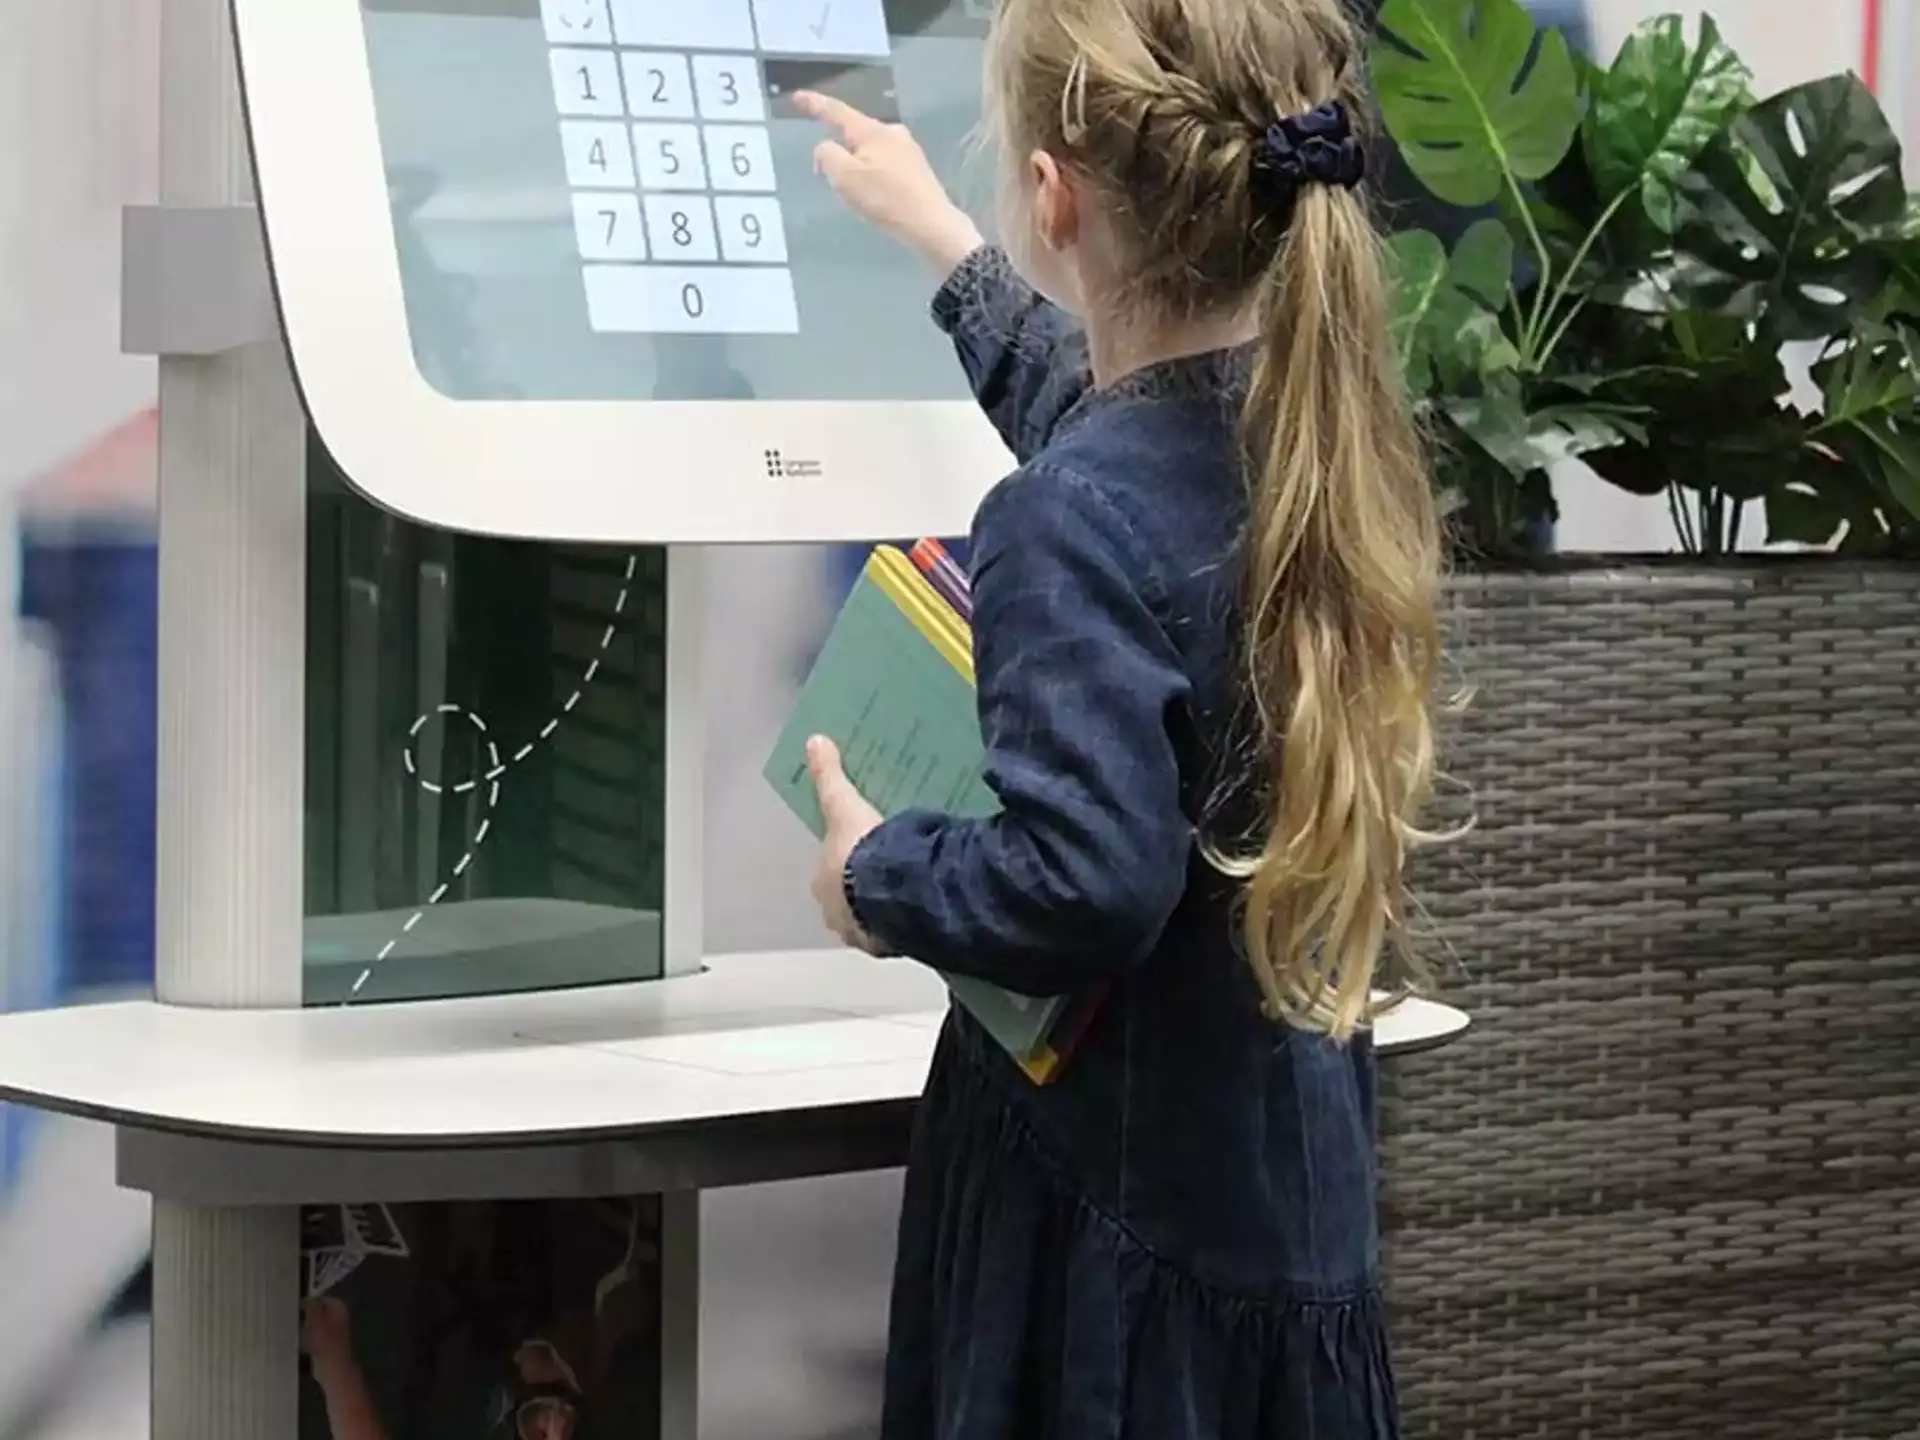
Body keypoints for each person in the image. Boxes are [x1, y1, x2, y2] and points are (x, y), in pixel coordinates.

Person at [791, 0, 1445, 1433]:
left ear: (1052, 195)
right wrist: (940, 246)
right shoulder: (1316, 441)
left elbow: (1082, 882)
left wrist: (873, 872)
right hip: (1278, 1213)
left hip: (1111, 1263)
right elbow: (1115, 436)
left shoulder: (1064, 517)